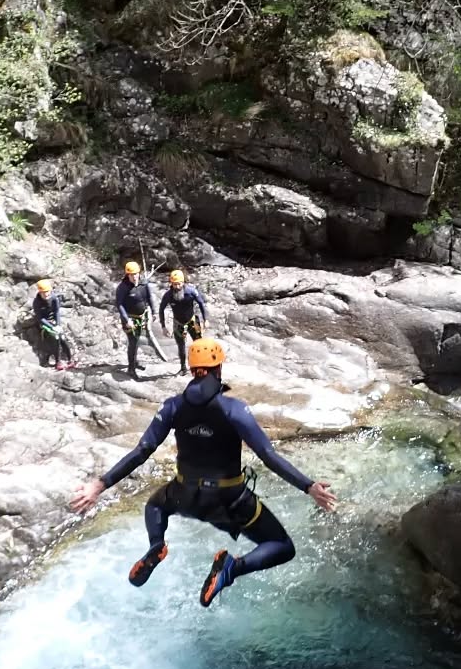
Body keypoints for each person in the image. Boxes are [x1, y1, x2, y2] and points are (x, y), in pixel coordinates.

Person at [70, 338, 337, 607]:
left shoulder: (172, 406)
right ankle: (231, 569)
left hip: (184, 495)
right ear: (218, 368)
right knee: (282, 546)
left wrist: (99, 486)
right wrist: (308, 486)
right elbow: (268, 455)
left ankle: (156, 546)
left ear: (191, 368)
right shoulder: (233, 409)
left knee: (155, 506)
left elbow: (142, 450)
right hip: (229, 500)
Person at [158, 269, 208, 374]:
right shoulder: (168, 295)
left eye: (179, 284)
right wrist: (163, 326)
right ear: (171, 283)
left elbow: (201, 303)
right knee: (181, 346)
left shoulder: (191, 292)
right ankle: (183, 368)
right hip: (178, 323)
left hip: (192, 321)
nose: (177, 286)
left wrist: (205, 319)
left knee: (199, 343)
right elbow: (161, 309)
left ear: (183, 282)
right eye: (174, 284)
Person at [114, 260, 158, 379]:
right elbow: (119, 304)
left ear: (139, 273)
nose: (134, 277)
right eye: (131, 275)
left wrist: (154, 311)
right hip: (129, 318)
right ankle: (131, 369)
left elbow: (149, 297)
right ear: (127, 275)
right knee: (133, 342)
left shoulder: (144, 283)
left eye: (136, 274)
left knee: (137, 340)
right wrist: (126, 319)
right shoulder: (123, 287)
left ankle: (134, 361)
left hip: (141, 317)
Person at [31, 278, 76, 370]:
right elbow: (40, 318)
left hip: (54, 322)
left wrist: (58, 325)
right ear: (40, 292)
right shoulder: (37, 302)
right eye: (44, 292)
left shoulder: (54, 298)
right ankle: (58, 362)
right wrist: (52, 327)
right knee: (55, 337)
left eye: (47, 292)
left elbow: (56, 312)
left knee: (62, 337)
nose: (46, 294)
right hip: (44, 323)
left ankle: (70, 360)